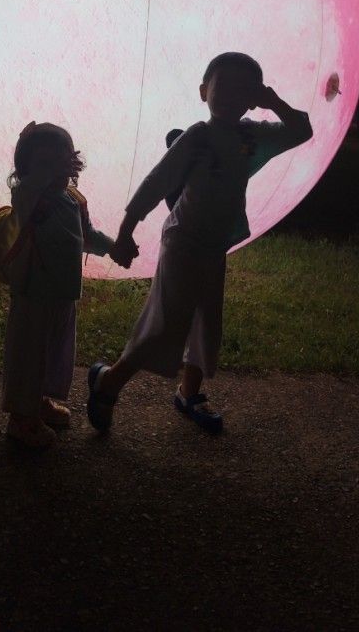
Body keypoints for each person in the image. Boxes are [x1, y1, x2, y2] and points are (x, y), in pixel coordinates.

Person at [91, 52, 313, 435]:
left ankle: (189, 392)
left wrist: (274, 101)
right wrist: (126, 230)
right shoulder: (199, 136)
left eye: (245, 88)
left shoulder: (251, 135)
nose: (232, 94)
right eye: (222, 85)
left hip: (214, 243)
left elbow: (301, 131)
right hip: (184, 240)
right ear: (202, 91)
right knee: (166, 322)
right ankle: (109, 381)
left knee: (207, 321)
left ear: (254, 96)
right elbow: (156, 182)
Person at [3, 121, 136, 448]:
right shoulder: (29, 197)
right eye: (46, 163)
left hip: (63, 295)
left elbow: (86, 237)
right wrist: (47, 173)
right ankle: (20, 420)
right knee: (29, 356)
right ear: (26, 170)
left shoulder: (72, 199)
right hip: (33, 294)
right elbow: (28, 189)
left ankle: (38, 403)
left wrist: (114, 248)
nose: (58, 170)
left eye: (64, 159)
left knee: (52, 355)